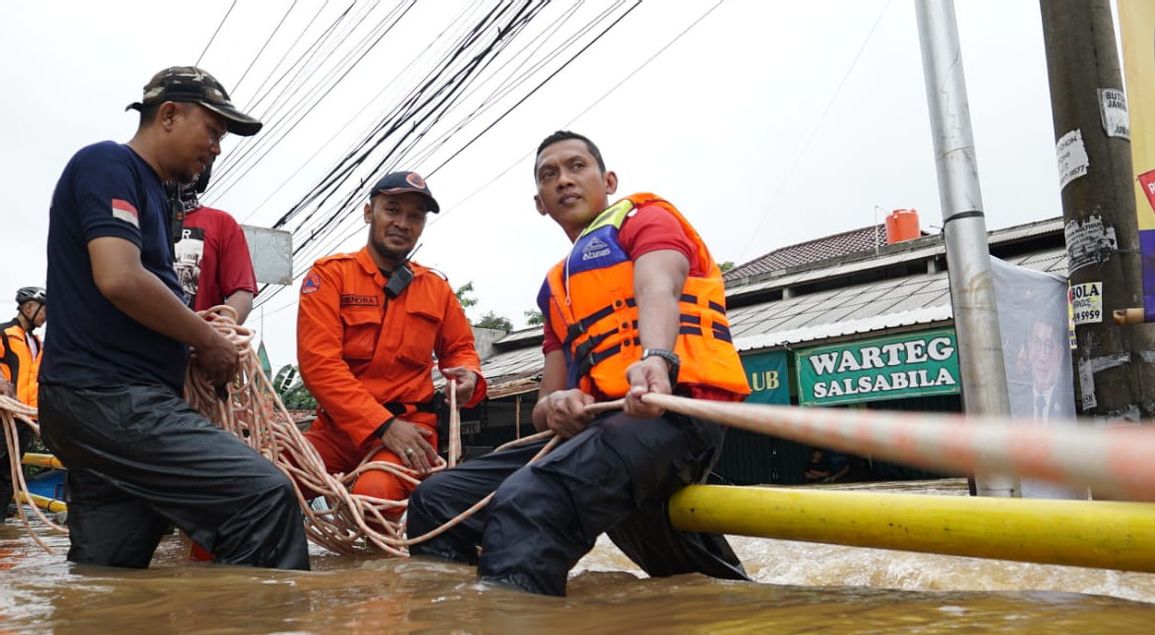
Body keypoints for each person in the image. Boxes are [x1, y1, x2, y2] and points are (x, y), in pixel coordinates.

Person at [406, 131, 752, 596]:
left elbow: (659, 286)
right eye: (550, 175)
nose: (564, 181)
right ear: (539, 202)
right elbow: (545, 405)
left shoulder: (647, 219)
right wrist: (559, 405)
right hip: (602, 431)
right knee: (438, 498)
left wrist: (656, 359)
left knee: (533, 499)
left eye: (577, 167)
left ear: (607, 180)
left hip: (677, 415)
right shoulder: (556, 288)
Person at [38, 66, 309, 570]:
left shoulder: (156, 199)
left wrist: (192, 328)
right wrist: (207, 340)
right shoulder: (107, 163)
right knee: (264, 497)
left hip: (103, 405)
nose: (216, 148)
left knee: (109, 574)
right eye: (212, 132)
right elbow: (118, 278)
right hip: (109, 397)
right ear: (168, 115)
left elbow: (136, 295)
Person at [296, 171, 486, 519]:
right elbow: (319, 365)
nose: (403, 223)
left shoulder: (436, 288)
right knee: (259, 482)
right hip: (336, 432)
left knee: (377, 495)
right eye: (392, 210)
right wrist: (382, 425)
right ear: (370, 212)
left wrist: (469, 376)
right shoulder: (329, 276)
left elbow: (460, 349)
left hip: (412, 431)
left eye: (415, 216)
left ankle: (380, 572)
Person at [171, 160, 257, 323]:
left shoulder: (222, 224)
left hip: (197, 345)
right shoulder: (138, 217)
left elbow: (241, 292)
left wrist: (217, 335)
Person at [1, 286, 47, 519]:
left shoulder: (37, 342)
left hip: (25, 418)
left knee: (10, 473)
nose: (45, 316)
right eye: (43, 310)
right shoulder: (4, 333)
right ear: (29, 307)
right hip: (4, 416)